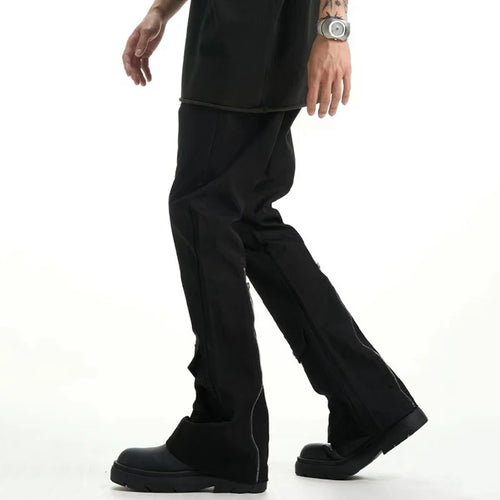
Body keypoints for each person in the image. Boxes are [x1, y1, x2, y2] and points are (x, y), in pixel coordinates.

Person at [110, 0, 428, 493]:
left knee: (205, 211)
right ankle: (367, 403)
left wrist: (334, 29)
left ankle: (226, 436)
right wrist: (161, 11)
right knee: (246, 217)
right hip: (250, 31)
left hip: (249, 31)